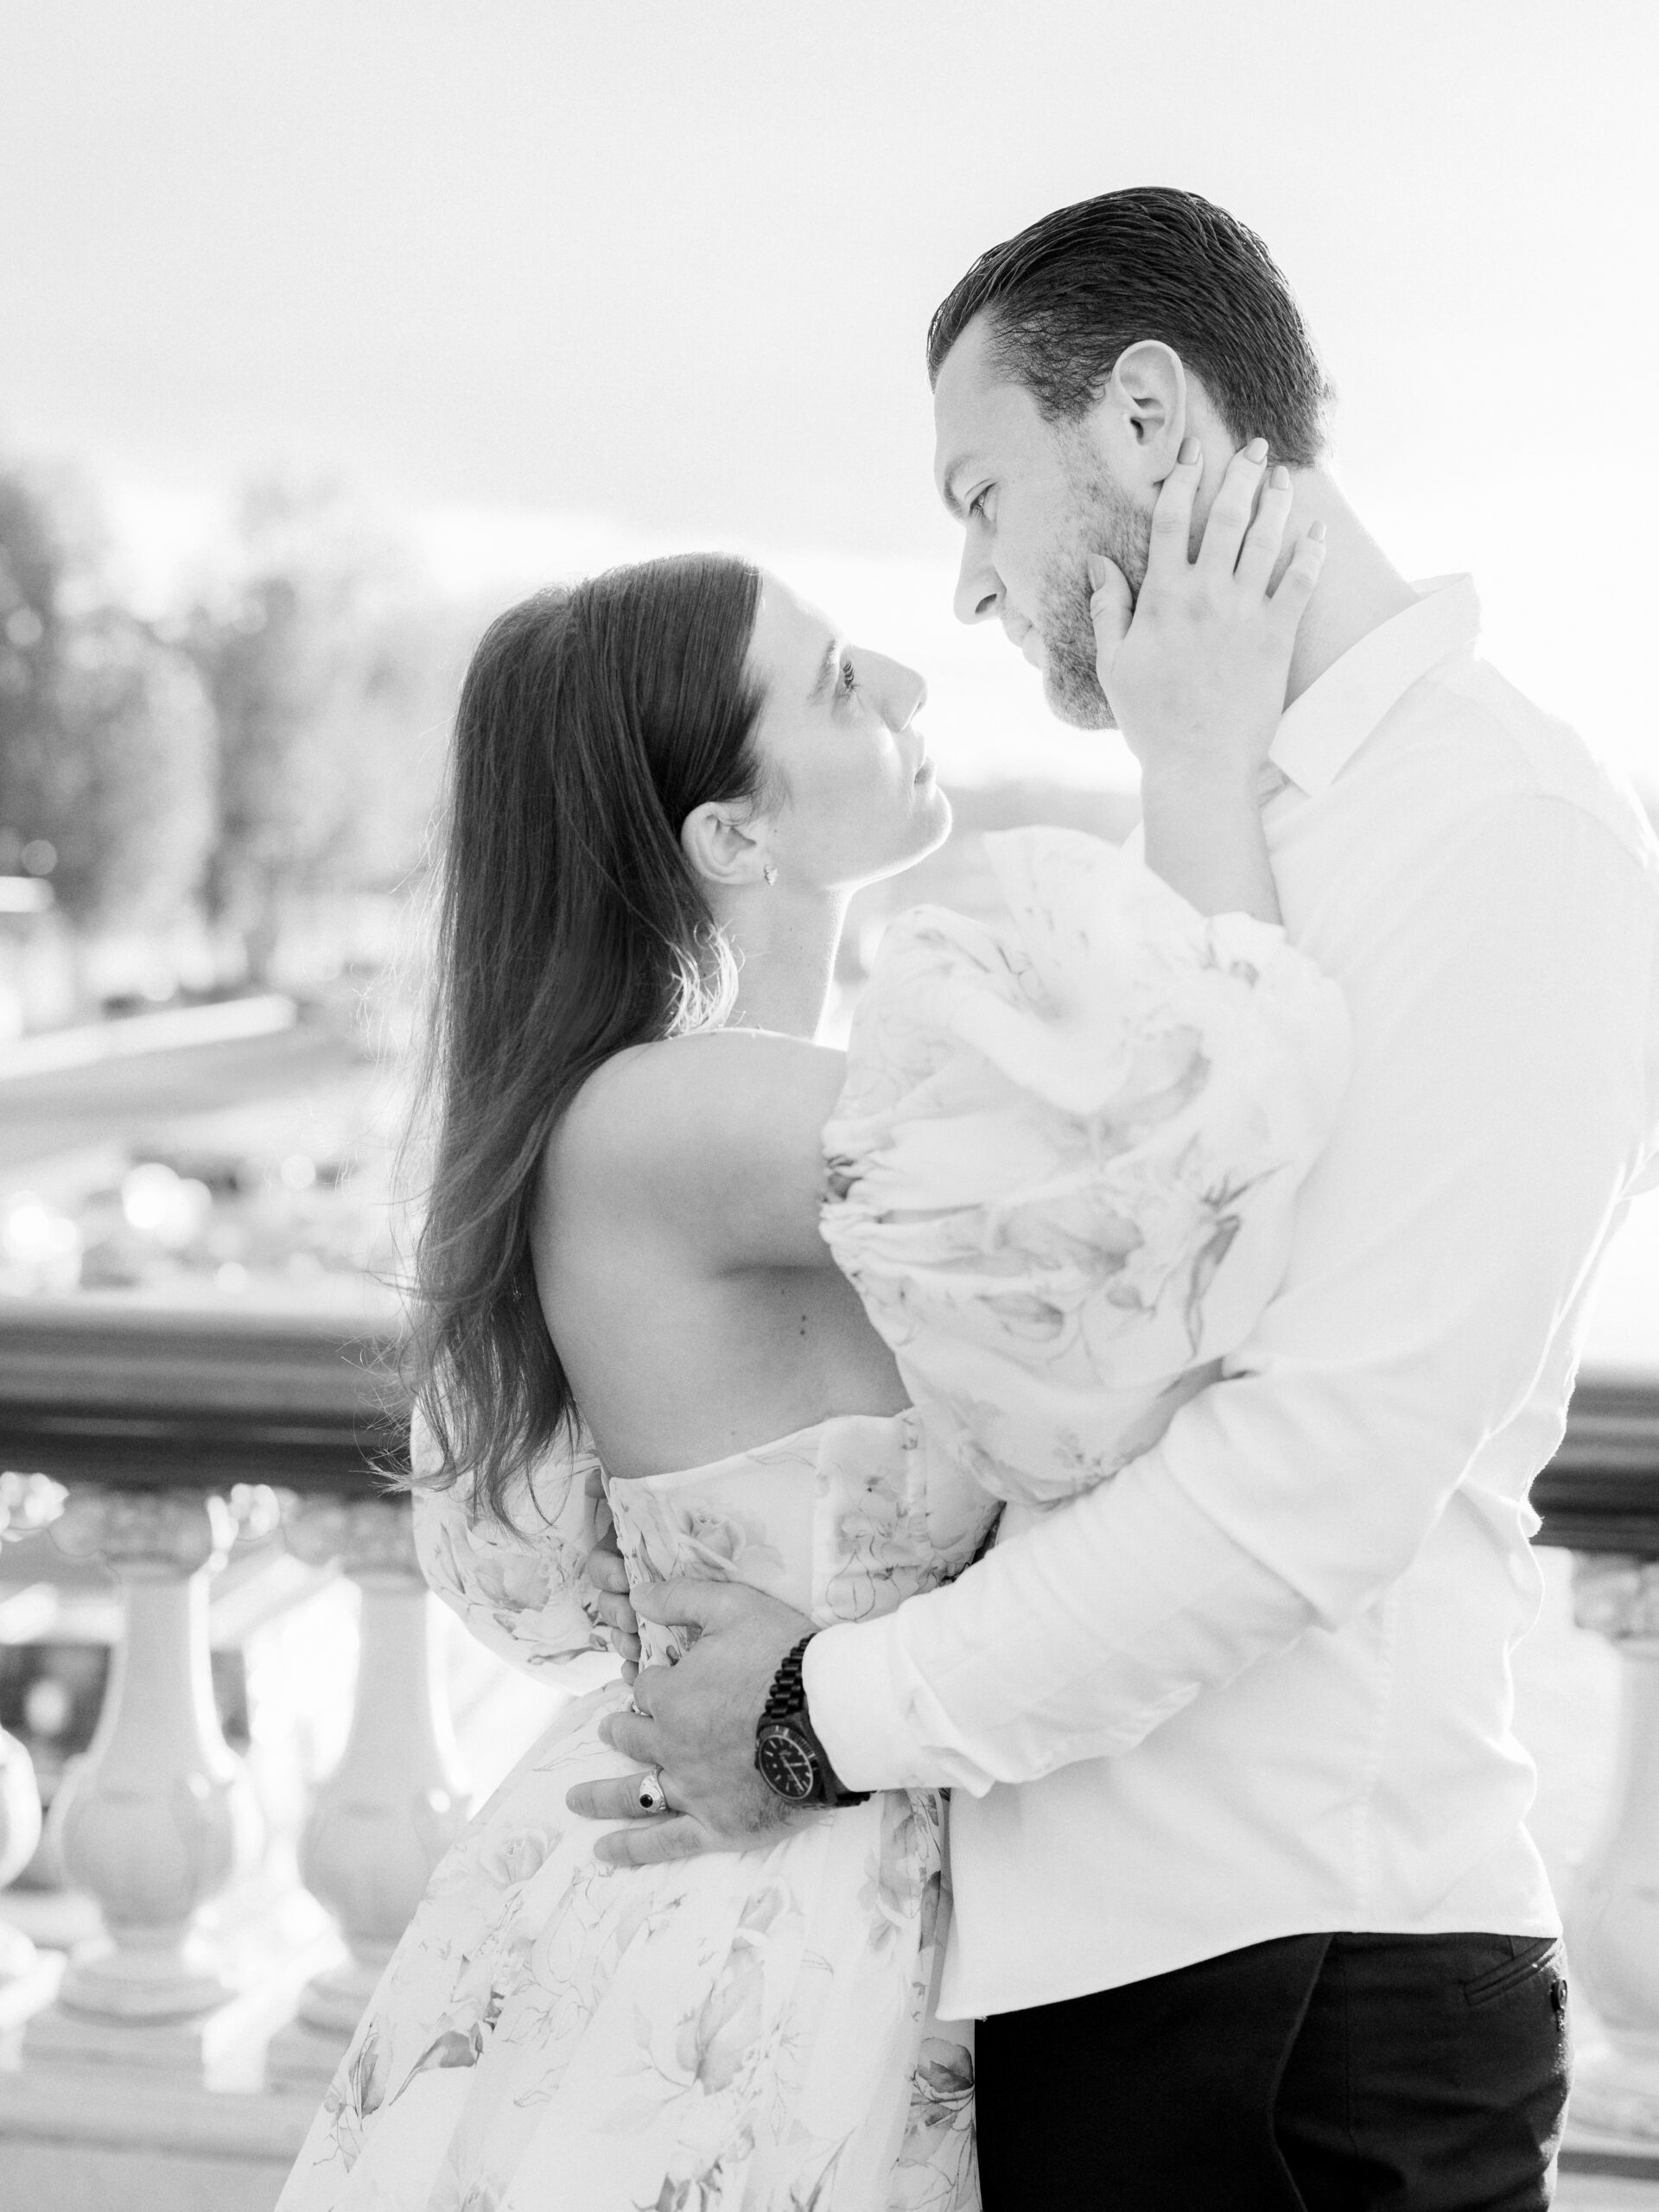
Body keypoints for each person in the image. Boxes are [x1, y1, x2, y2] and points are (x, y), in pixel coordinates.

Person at [584, 188, 1659, 2209]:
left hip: (1304, 1986)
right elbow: (1087, 1380)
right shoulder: (1232, 807)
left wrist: (822, 1711)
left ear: (1149, 422)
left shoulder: (1502, 837)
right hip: (1109, 1966)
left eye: (985, 495)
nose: (974, 587)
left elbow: (1306, 1477)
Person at [276, 448, 1338, 2209]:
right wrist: (1202, 762)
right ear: (730, 834)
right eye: (843, 682)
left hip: (824, 1830)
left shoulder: (695, 1097)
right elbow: (1163, 1173)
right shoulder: (660, 1121)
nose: (912, 683)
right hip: (777, 1919)